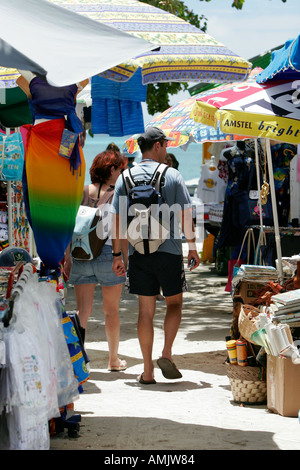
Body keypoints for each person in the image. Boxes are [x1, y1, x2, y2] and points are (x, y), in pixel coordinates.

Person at [111, 127, 200, 384]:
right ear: (158, 146)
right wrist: (192, 247)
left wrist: (118, 255)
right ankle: (167, 353)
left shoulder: (124, 178)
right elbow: (185, 214)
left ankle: (147, 372)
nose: (167, 150)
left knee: (145, 311)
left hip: (139, 253)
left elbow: (116, 221)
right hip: (169, 251)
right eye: (166, 145)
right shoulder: (173, 175)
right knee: (174, 304)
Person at [16, 70, 88, 271]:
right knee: (45, 202)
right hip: (54, 144)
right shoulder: (74, 78)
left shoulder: (30, 77)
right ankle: (52, 259)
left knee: (59, 203)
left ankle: (52, 260)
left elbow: (20, 80)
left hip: (56, 143)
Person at [64, 150, 128, 372]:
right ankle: (113, 360)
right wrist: (121, 258)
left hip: (81, 255)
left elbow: (69, 227)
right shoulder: (119, 194)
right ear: (112, 169)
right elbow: (120, 230)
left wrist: (67, 257)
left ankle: (78, 360)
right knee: (111, 311)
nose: (122, 172)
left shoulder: (82, 192)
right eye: (120, 169)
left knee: (83, 312)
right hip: (110, 254)